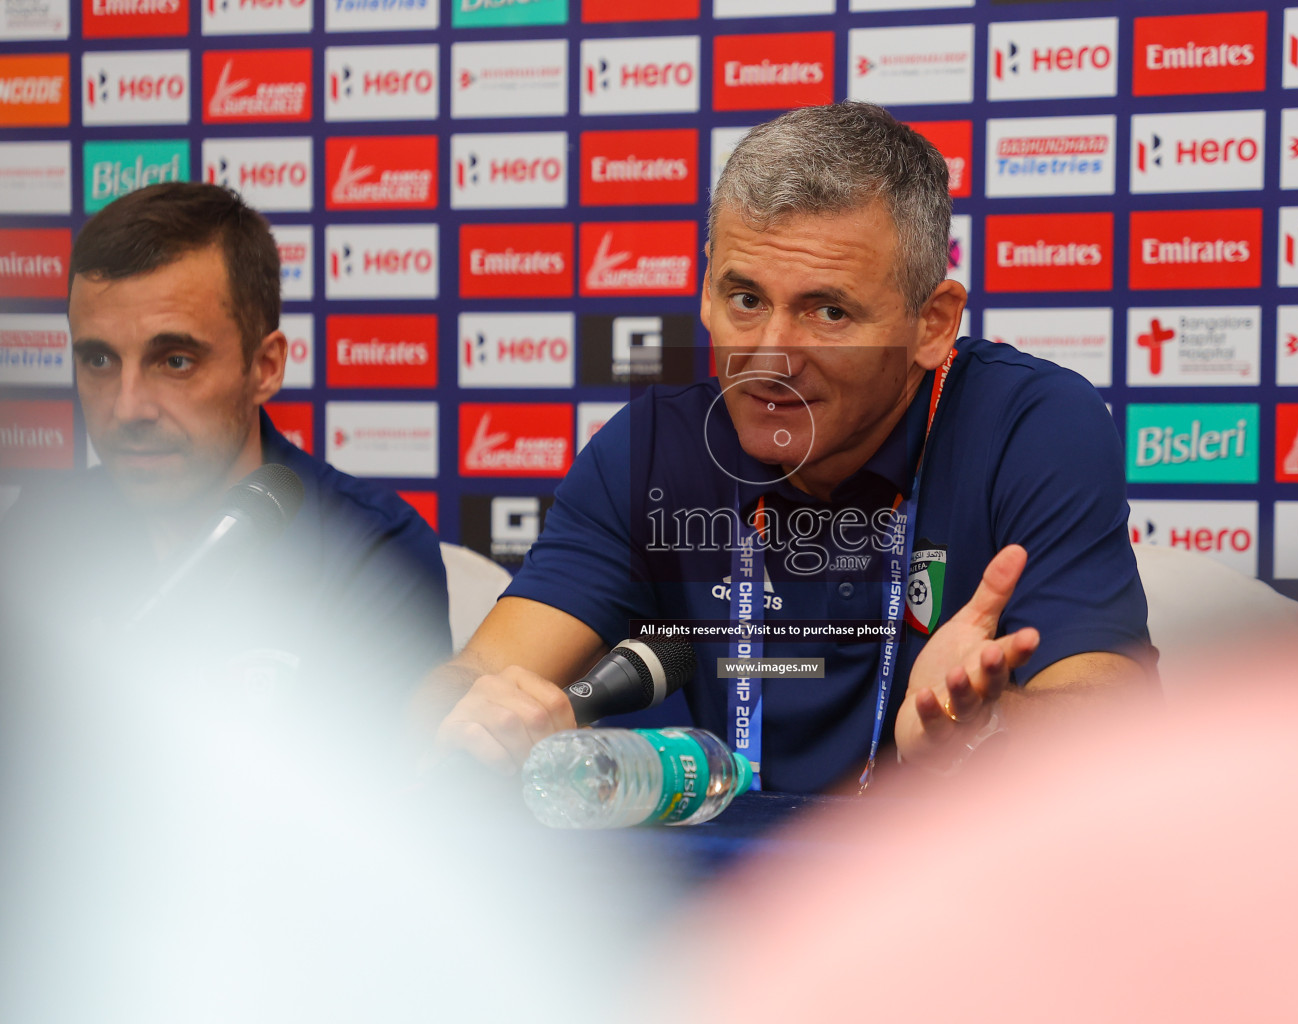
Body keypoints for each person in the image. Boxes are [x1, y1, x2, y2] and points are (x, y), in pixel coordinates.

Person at [417, 103, 1152, 792]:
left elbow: (1112, 729)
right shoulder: (651, 449)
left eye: (828, 311)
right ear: (704, 289)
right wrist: (479, 721)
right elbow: (476, 675)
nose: (770, 355)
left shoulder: (1030, 423)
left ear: (932, 324)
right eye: (745, 300)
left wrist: (989, 728)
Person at [0, 182, 449, 707]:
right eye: (99, 361)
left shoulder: (370, 553)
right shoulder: (38, 534)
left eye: (175, 361)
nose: (127, 409)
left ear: (265, 367)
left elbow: (365, 788)